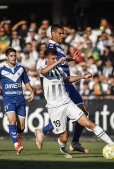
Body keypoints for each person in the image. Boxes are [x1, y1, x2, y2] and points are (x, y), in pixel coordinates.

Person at [38, 48, 114, 158]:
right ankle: (63, 150)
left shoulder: (59, 70)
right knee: (64, 138)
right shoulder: (42, 70)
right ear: (46, 59)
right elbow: (44, 71)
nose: (55, 60)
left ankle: (113, 144)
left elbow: (68, 79)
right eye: (52, 58)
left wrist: (83, 76)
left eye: (56, 58)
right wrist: (59, 61)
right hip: (55, 107)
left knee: (88, 123)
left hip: (67, 103)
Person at [35, 24, 90, 153]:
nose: (62, 35)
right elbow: (51, 64)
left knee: (84, 112)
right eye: (60, 33)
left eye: (63, 33)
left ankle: (75, 142)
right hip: (63, 83)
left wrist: (72, 58)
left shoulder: (58, 47)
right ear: (52, 33)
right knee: (64, 116)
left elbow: (62, 60)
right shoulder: (51, 47)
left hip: (68, 81)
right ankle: (42, 131)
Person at [0, 48, 34, 154]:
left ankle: (16, 134)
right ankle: (17, 145)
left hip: (20, 100)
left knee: (21, 128)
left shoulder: (21, 69)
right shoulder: (1, 70)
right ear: (6, 57)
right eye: (11, 56)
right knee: (12, 121)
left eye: (14, 55)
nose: (13, 57)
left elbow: (27, 82)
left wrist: (32, 92)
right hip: (8, 100)